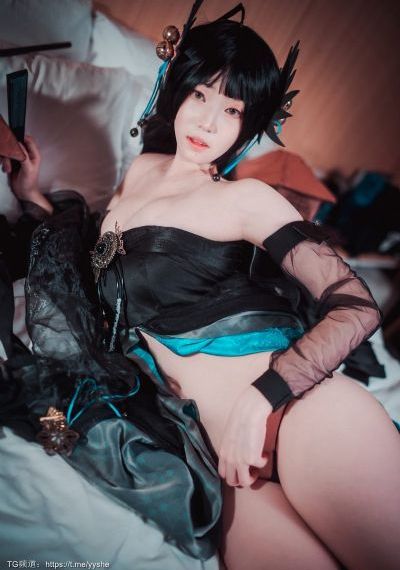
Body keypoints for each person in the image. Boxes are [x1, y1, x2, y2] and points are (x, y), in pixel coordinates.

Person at [1, 3, 400, 570]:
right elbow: (95, 264)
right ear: (178, 91)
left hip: (299, 413)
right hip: (222, 467)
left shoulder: (246, 199)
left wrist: (261, 400)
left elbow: (356, 306)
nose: (209, 123)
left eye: (232, 109)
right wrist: (34, 197)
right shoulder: (138, 172)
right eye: (200, 95)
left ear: (248, 124)